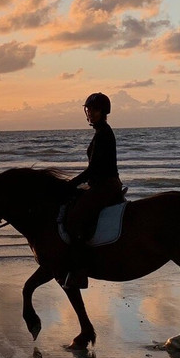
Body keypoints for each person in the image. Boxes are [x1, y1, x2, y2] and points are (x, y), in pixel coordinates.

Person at [63, 92, 123, 289]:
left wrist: (71, 183)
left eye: (94, 110)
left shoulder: (104, 134)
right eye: (88, 110)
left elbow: (94, 169)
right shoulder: (100, 133)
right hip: (100, 183)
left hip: (105, 185)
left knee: (74, 219)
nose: (90, 113)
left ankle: (80, 271)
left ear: (103, 112)